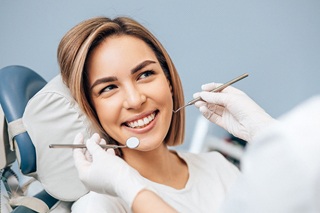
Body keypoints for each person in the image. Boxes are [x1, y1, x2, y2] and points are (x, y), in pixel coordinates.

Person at [57, 16, 274, 212]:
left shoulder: (217, 167)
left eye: (145, 74)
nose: (135, 100)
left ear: (169, 81)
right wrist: (125, 184)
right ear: (90, 108)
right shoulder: (99, 206)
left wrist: (268, 133)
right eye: (108, 88)